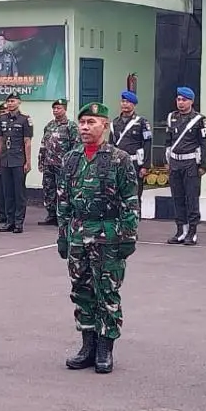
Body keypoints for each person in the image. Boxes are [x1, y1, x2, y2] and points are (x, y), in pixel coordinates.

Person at [56, 100, 140, 374]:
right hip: (79, 233)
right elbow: (63, 200)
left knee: (106, 292)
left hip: (108, 234)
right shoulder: (71, 158)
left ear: (104, 125)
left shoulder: (119, 159)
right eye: (82, 122)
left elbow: (130, 200)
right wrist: (63, 235)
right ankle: (87, 346)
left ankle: (105, 348)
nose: (84, 127)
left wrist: (128, 236)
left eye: (91, 122)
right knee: (81, 291)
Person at [165, 86, 206, 245]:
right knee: (177, 197)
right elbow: (168, 141)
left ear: (191, 101)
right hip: (175, 163)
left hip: (191, 163)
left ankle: (192, 231)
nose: (181, 102)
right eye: (179, 99)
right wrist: (167, 161)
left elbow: (204, 143)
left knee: (191, 198)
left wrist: (203, 165)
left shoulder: (199, 120)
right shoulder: (171, 117)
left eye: (184, 100)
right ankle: (180, 231)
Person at [0, 91, 33, 232]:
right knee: (7, 192)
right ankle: (9, 221)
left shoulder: (25, 120)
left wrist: (28, 162)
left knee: (19, 193)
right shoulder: (2, 119)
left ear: (19, 102)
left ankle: (18, 222)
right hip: (5, 160)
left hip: (18, 160)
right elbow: (0, 140)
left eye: (13, 101)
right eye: (9, 101)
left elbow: (27, 142)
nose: (10, 104)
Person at [37, 99, 78, 225]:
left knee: (63, 191)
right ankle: (51, 214)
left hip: (63, 165)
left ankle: (63, 216)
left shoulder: (71, 126)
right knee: (49, 189)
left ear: (65, 109)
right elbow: (44, 144)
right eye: (54, 108)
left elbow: (75, 146)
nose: (55, 110)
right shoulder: (49, 125)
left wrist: (72, 164)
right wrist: (41, 160)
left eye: (58, 108)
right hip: (49, 163)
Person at [111, 90, 153, 200]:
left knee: (135, 195)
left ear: (134, 105)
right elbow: (111, 145)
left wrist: (145, 166)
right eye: (123, 101)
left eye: (128, 102)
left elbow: (147, 144)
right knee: (118, 195)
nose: (124, 104)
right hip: (118, 163)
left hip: (135, 163)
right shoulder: (115, 123)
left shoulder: (142, 122)